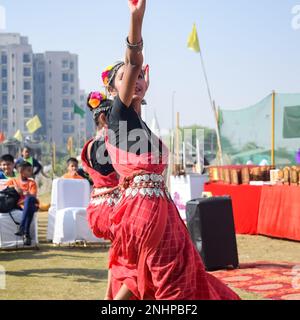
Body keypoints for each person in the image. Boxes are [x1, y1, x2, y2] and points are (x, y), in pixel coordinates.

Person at [102, 0, 240, 300]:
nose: (136, 80)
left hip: (155, 208)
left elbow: (135, 95)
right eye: (126, 78)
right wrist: (135, 21)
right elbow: (134, 60)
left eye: (139, 77)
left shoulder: (134, 120)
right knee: (171, 280)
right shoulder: (118, 114)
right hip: (145, 210)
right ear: (113, 90)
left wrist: (140, 90)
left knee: (145, 274)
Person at [81, 91, 120, 300]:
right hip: (116, 209)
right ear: (105, 119)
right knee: (126, 259)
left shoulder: (88, 146)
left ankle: (110, 295)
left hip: (97, 207)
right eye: (116, 117)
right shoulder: (111, 144)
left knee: (118, 254)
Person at [6, 162, 39, 246]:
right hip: (19, 206)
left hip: (31, 204)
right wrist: (15, 188)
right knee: (29, 208)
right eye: (29, 170)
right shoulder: (13, 181)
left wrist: (25, 194)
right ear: (21, 171)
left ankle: (21, 227)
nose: (31, 172)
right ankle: (26, 233)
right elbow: (5, 189)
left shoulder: (32, 183)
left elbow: (33, 196)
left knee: (29, 199)